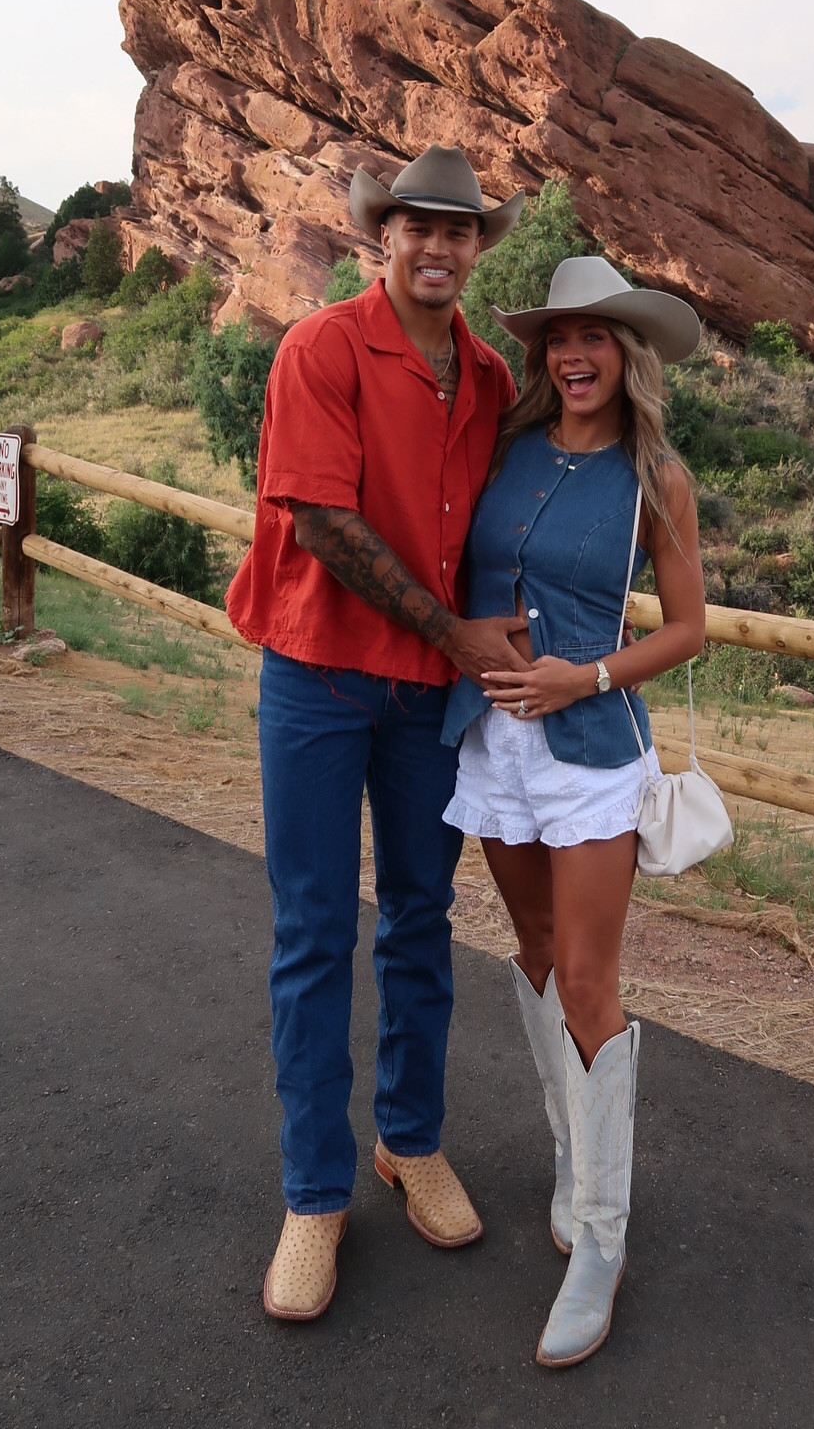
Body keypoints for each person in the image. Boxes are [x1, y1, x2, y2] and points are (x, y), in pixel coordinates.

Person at [227, 144, 531, 1324]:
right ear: (382, 237)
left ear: (476, 247)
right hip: (316, 676)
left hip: (424, 696)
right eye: (419, 227)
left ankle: (410, 1140)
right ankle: (315, 1192)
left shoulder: (494, 377)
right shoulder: (324, 346)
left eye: (460, 231)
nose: (439, 246)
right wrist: (457, 633)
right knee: (312, 929)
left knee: (420, 916)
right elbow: (320, 520)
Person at [441, 254, 707, 1369]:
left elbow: (689, 628)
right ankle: (571, 1157)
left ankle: (601, 1237)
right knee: (537, 947)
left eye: (596, 337)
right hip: (493, 741)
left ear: (629, 351)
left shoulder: (658, 473)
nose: (575, 354)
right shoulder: (504, 446)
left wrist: (581, 676)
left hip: (593, 749)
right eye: (559, 337)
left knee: (592, 980)